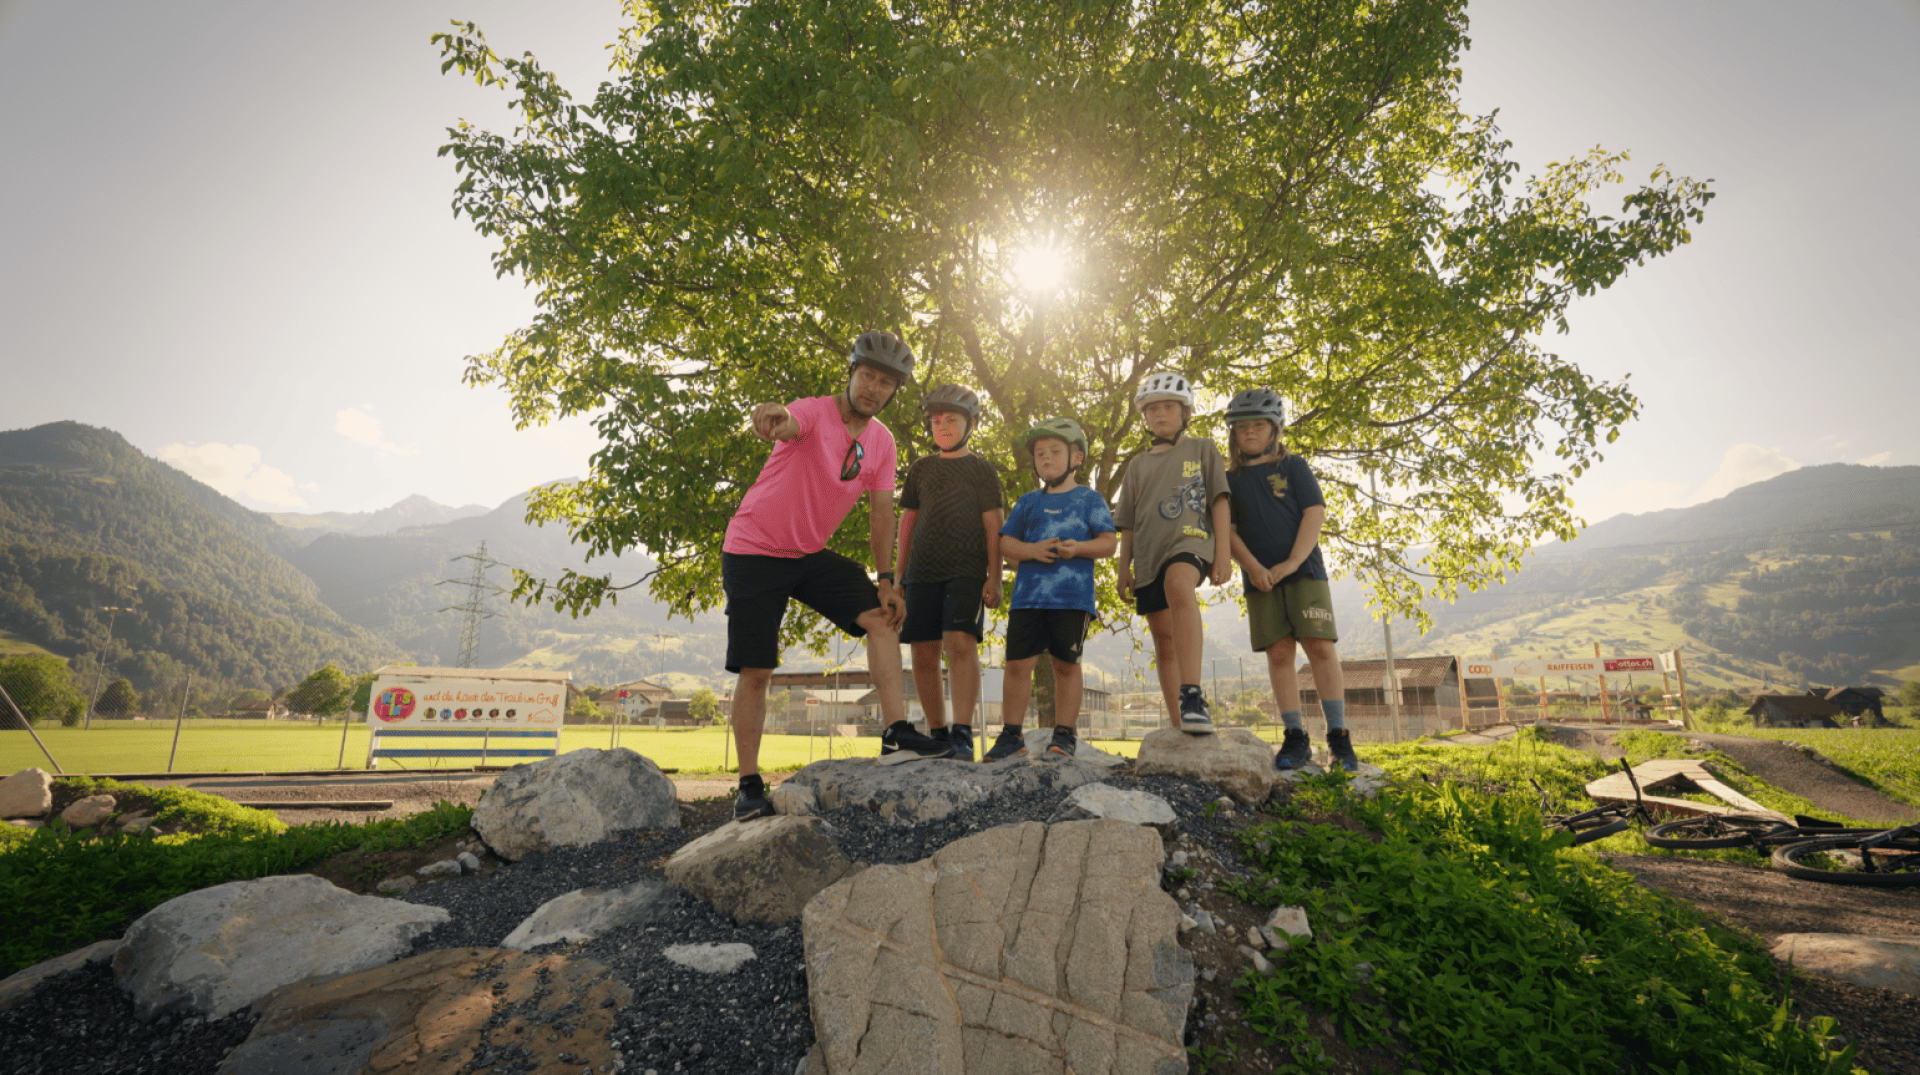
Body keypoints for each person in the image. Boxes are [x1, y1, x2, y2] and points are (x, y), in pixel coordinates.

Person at [721, 331, 950, 821]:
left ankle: (896, 733)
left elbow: (882, 514)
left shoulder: (882, 442)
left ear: (894, 391)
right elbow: (787, 421)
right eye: (867, 375)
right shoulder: (815, 412)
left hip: (807, 554)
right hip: (754, 549)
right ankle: (748, 786)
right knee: (757, 671)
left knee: (882, 617)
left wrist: (887, 579)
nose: (873, 388)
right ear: (851, 373)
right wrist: (772, 416)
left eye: (885, 382)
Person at [1222, 388, 1358, 771]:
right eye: (1242, 427)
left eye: (1258, 425)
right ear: (1233, 433)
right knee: (1279, 654)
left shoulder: (1294, 466)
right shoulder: (1228, 478)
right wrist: (1253, 568)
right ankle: (1295, 737)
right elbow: (1227, 530)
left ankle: (1338, 737)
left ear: (1275, 428)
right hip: (1259, 579)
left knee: (1319, 646)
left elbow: (1314, 512)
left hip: (1305, 571)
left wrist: (1293, 562)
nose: (1250, 432)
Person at [986, 418, 1118, 761]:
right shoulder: (1027, 502)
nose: (1046, 457)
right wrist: (1031, 550)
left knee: (1066, 665)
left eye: (1055, 451)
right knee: (1017, 665)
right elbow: (1006, 543)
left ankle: (1065, 734)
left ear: (1077, 457)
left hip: (1072, 599)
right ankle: (1011, 735)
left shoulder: (1090, 499)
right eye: (1040, 453)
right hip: (1027, 599)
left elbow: (1109, 543)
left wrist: (1080, 548)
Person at [1114, 373, 1232, 732]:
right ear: (1144, 417)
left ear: (1186, 412)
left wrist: (1223, 553)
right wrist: (1122, 569)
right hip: (1148, 555)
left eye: (1168, 406)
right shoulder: (1136, 466)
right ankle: (1181, 724)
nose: (1160, 414)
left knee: (1179, 584)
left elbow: (1220, 500)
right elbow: (1128, 523)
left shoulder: (1203, 448)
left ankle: (1192, 695)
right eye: (1152, 409)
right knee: (1164, 642)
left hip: (1191, 541)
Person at [896, 384, 1004, 762]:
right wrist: (898, 577)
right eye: (936, 420)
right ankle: (937, 733)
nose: (942, 427)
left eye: (952, 420)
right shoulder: (920, 469)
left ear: (971, 424)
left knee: (960, 644)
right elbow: (907, 524)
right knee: (923, 652)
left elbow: (994, 524)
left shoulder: (982, 470)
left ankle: (962, 733)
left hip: (967, 570)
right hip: (921, 572)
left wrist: (995, 576)